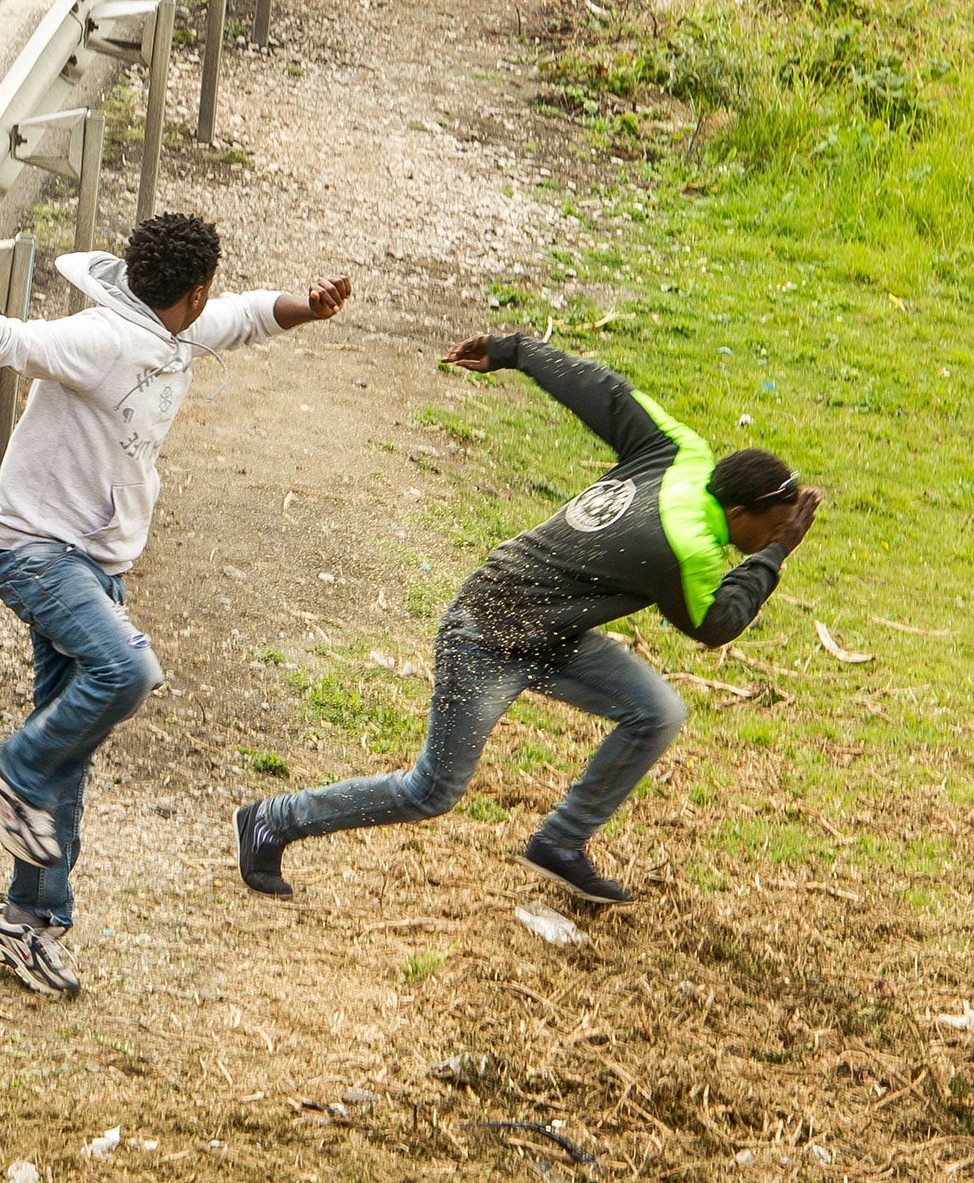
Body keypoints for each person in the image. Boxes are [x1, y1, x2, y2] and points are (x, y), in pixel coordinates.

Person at [0, 214, 351, 996]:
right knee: (127, 674)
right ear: (192, 292)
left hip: (94, 568)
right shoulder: (102, 338)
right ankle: (13, 772)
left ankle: (26, 922)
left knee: (74, 756)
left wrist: (309, 304)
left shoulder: (185, 330)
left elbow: (254, 316)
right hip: (34, 554)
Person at [235, 331, 821, 906]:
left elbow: (603, 391)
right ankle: (271, 820)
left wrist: (517, 350)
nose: (778, 534)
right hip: (488, 633)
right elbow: (716, 624)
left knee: (657, 711)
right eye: (772, 525)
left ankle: (560, 842)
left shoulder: (681, 451)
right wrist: (775, 555)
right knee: (432, 790)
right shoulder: (685, 547)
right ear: (740, 512)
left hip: (549, 631)